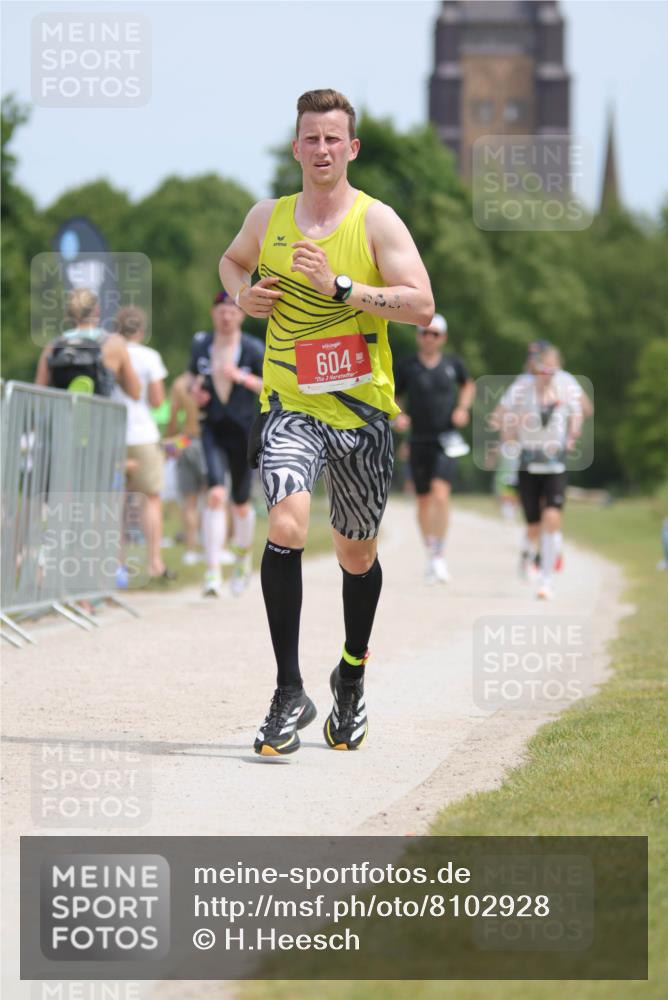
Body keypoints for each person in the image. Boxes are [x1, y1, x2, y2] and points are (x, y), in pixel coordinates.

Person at [220, 88, 434, 755]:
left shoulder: (377, 223)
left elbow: (421, 305)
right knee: (285, 523)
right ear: (296, 147)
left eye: (332, 139)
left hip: (363, 411)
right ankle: (290, 690)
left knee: (354, 552)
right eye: (310, 138)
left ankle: (351, 676)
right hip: (289, 402)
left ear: (351, 148)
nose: (321, 150)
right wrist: (242, 294)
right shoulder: (268, 217)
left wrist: (341, 288)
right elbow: (231, 262)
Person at [187, 290, 264, 598]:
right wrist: (195, 389)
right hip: (212, 428)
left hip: (244, 431)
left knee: (241, 503)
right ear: (213, 312)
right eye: (221, 309)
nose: (226, 315)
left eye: (232, 310)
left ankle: (243, 560)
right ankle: (212, 571)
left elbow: (269, 385)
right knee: (216, 494)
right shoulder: (201, 344)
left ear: (241, 315)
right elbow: (190, 377)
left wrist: (240, 378)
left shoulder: (253, 348)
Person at [496, 343, 583, 599]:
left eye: (551, 369)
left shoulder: (566, 384)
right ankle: (526, 552)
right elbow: (504, 417)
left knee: (552, 518)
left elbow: (577, 413)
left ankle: (545, 581)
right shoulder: (522, 388)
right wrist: (509, 436)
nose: (547, 373)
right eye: (542, 368)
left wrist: (573, 435)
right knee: (533, 524)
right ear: (534, 367)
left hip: (555, 463)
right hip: (528, 463)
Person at [394, 314, 475, 583]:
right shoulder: (407, 366)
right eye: (424, 333)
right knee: (423, 501)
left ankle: (439, 554)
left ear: (443, 338)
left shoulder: (453, 365)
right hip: (418, 440)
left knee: (441, 496)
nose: (429, 338)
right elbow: (393, 394)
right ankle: (430, 552)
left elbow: (468, 384)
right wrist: (398, 415)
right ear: (418, 336)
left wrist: (463, 409)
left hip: (447, 439)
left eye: (435, 334)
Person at [112, 306, 174, 582]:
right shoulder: (150, 357)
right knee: (151, 499)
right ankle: (154, 563)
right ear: (142, 330)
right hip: (142, 435)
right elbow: (157, 401)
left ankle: (117, 565)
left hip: (111, 434)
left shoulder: (108, 353)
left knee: (116, 501)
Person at [35, 288, 140, 400]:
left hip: (62, 415)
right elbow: (135, 392)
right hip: (99, 414)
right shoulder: (114, 343)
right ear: (97, 311)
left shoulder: (53, 345)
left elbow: (38, 391)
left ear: (68, 314)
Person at [165, 372, 208, 566]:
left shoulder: (180, 383)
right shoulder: (211, 378)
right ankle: (215, 548)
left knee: (189, 502)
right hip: (209, 441)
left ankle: (190, 551)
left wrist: (169, 441)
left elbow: (173, 418)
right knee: (213, 500)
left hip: (186, 439)